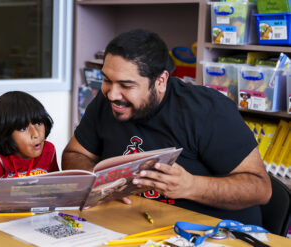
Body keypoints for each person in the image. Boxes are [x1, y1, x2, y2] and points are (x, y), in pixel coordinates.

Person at [62, 29, 272, 225]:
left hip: (212, 232)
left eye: (126, 85)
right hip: (137, 223)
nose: (112, 94)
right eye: (107, 80)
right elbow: (74, 153)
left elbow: (260, 188)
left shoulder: (207, 111)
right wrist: (94, 181)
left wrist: (191, 186)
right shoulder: (106, 100)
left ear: (161, 80)